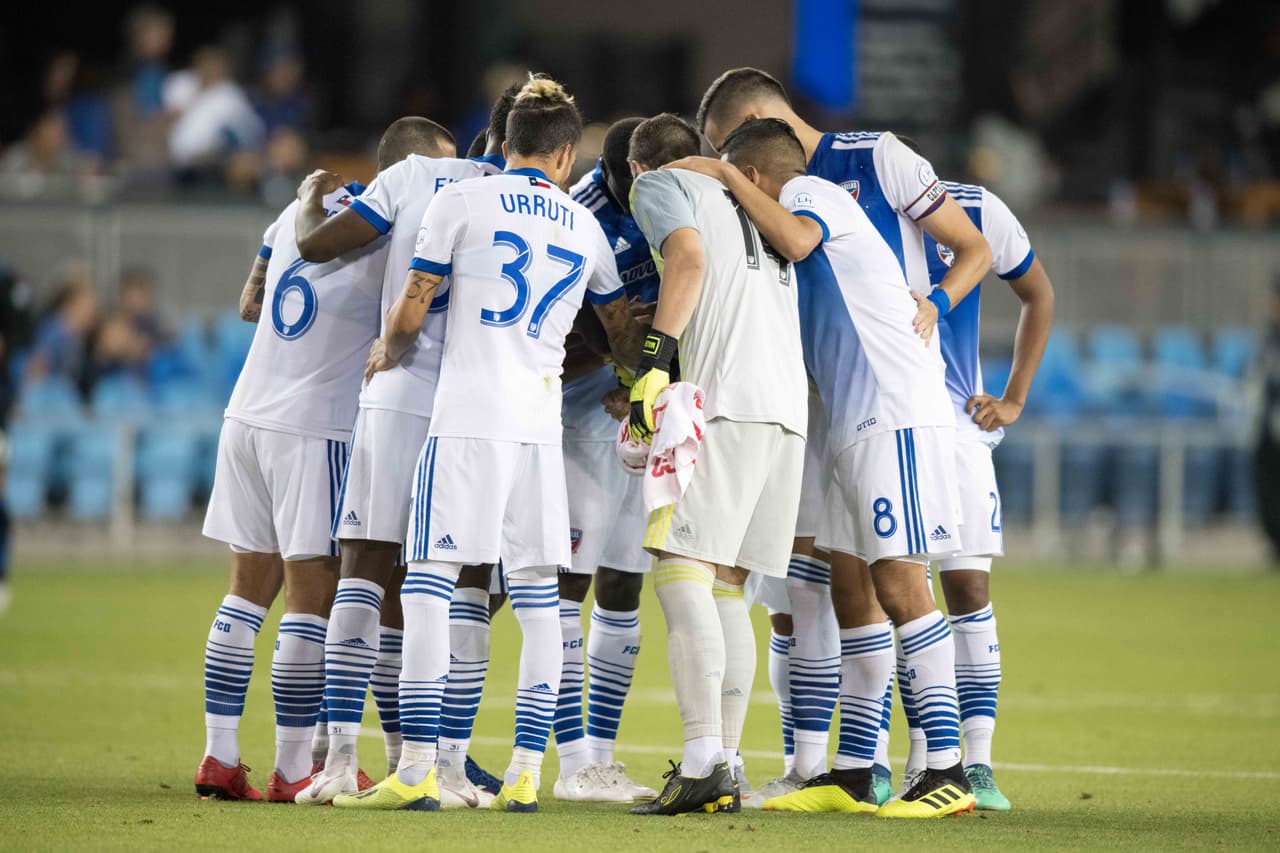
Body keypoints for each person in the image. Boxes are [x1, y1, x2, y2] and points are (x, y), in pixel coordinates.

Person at [334, 74, 643, 814]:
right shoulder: (581, 225)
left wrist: (388, 346)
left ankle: (415, 769)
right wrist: (643, 370)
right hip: (539, 430)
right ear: (566, 154)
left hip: (467, 418)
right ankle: (528, 770)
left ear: (504, 143)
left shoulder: (461, 200)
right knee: (541, 601)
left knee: (430, 585)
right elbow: (624, 332)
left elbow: (413, 308)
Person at [696, 67, 993, 799]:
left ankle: (946, 767)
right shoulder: (805, 205)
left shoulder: (808, 195)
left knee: (901, 582)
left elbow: (795, 240)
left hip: (890, 409)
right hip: (853, 419)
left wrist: (724, 180)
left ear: (758, 171)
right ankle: (858, 771)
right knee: (854, 584)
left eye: (740, 174)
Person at [191, 118, 444, 802]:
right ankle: (295, 765)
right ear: (413, 171)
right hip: (316, 428)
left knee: (245, 591)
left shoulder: (294, 212)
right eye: (442, 169)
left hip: (247, 415)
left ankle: (219, 756)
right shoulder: (393, 229)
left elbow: (251, 302)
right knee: (315, 596)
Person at [290, 93, 516, 809]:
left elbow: (318, 246)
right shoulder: (518, 195)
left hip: (396, 392)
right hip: (474, 410)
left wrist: (306, 211)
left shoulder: (414, 174)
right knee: (465, 582)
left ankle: (339, 761)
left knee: (361, 569)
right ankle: (444, 766)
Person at [625, 113, 808, 816]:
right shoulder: (758, 206)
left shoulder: (662, 184)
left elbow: (689, 259)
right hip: (786, 412)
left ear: (639, 170)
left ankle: (703, 757)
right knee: (728, 583)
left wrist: (654, 358)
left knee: (677, 566)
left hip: (724, 400)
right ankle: (727, 760)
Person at [924, 180, 1053, 810]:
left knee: (968, 591)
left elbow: (1038, 292)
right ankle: (926, 761)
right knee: (901, 596)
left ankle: (977, 766)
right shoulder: (847, 205)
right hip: (876, 423)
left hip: (957, 431)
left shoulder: (972, 210)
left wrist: (1015, 397)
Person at [551, 115, 660, 804]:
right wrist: (617, 359)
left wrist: (646, 378)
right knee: (564, 584)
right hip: (575, 415)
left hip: (635, 414)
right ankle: (566, 760)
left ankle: (602, 757)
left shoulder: (672, 203)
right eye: (634, 183)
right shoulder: (579, 216)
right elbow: (550, 333)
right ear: (612, 173)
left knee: (624, 583)